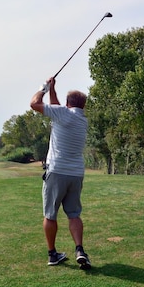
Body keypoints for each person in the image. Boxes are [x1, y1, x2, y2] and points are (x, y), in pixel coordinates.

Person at [30, 77, 91, 269]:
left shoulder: (63, 114)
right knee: (74, 214)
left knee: (50, 215)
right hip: (76, 174)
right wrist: (53, 90)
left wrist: (44, 88)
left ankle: (52, 254)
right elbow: (56, 108)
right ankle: (80, 250)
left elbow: (34, 104)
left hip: (57, 171)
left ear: (68, 104)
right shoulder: (82, 120)